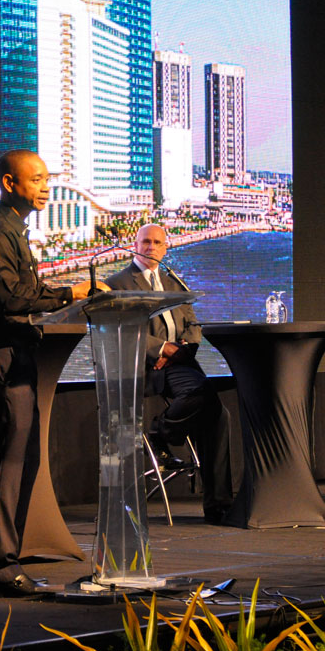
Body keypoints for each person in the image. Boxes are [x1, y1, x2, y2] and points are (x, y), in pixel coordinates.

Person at [0, 149, 106, 597]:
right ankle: (0, 572)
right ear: (10, 184)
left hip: (16, 354)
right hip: (1, 356)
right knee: (8, 467)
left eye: (47, 179)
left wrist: (69, 295)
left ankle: (7, 564)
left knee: (23, 463)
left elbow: (24, 291)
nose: (46, 187)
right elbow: (10, 298)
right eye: (37, 179)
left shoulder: (13, 231)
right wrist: (71, 293)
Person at [106, 223, 234, 525]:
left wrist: (185, 348)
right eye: (145, 242)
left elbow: (193, 324)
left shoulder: (173, 281)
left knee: (219, 415)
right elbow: (120, 331)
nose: (150, 247)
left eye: (157, 242)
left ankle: (218, 506)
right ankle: (161, 431)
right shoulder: (117, 283)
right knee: (202, 396)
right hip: (147, 365)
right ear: (135, 244)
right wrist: (163, 349)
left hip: (181, 361)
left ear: (166, 248)